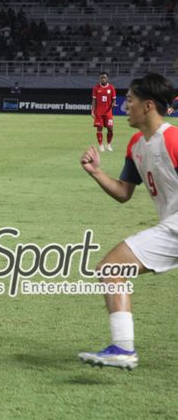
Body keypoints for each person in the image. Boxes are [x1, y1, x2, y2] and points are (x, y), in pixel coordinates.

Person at [78, 72, 177, 370]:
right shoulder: (136, 143)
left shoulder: (172, 138)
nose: (124, 106)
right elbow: (124, 193)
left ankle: (122, 349)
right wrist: (97, 172)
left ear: (148, 106)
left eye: (130, 100)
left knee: (111, 268)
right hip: (172, 226)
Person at [91, 71, 117, 152]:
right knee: (99, 128)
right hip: (99, 112)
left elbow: (114, 100)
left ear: (107, 78)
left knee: (110, 129)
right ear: (100, 78)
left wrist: (113, 104)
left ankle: (108, 145)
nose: (103, 79)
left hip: (108, 112)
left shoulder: (111, 88)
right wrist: (92, 111)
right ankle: (101, 145)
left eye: (104, 77)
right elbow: (94, 100)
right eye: (101, 77)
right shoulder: (96, 88)